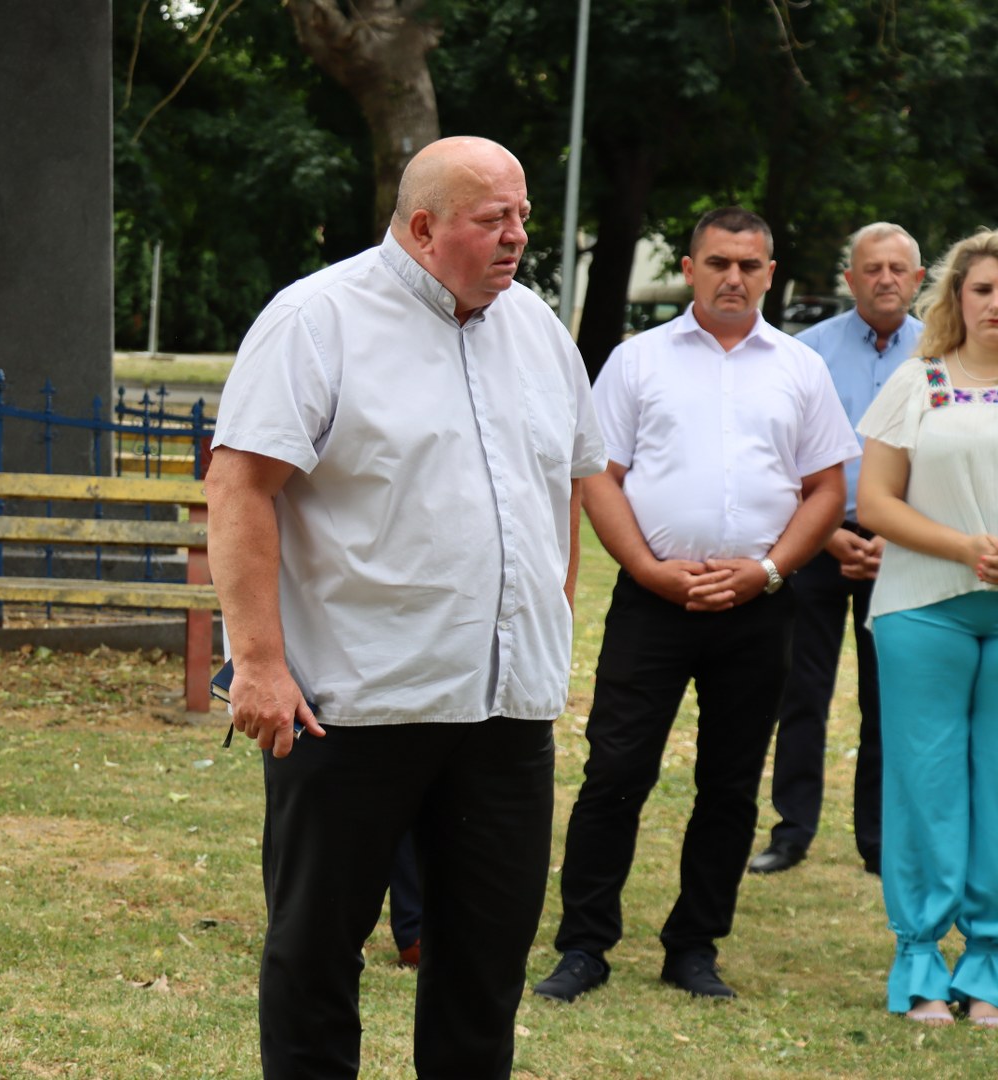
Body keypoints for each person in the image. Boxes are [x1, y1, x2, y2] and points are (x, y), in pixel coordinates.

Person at [207, 136, 605, 1079]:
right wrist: (258, 661)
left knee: (485, 966)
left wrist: (552, 613)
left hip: (504, 709)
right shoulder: (318, 319)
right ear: (424, 228)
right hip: (354, 702)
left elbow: (568, 482)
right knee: (316, 951)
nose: (517, 236)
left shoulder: (538, 331)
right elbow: (239, 487)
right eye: (492, 219)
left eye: (521, 216)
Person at [533, 207, 858, 1004]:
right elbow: (597, 475)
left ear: (770, 274)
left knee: (730, 783)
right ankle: (584, 946)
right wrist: (648, 570)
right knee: (615, 770)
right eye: (718, 262)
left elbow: (826, 488)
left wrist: (769, 571)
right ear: (689, 269)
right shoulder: (638, 360)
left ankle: (694, 947)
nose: (733, 278)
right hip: (654, 603)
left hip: (759, 606)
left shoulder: (800, 368)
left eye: (749, 265)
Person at [855, 228, 998, 1029]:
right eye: (982, 289)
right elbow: (876, 502)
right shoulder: (918, 381)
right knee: (925, 782)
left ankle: (986, 963)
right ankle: (917, 959)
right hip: (923, 609)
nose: (997, 304)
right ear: (956, 298)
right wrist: (966, 549)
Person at [749, 223, 926, 878]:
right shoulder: (806, 353)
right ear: (849, 280)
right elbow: (780, 456)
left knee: (891, 697)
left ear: (919, 279)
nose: (885, 279)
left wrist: (894, 532)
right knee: (802, 691)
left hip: (903, 545)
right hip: (816, 541)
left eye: (897, 268)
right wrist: (825, 533)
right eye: (871, 268)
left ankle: (880, 839)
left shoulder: (942, 355)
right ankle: (791, 831)